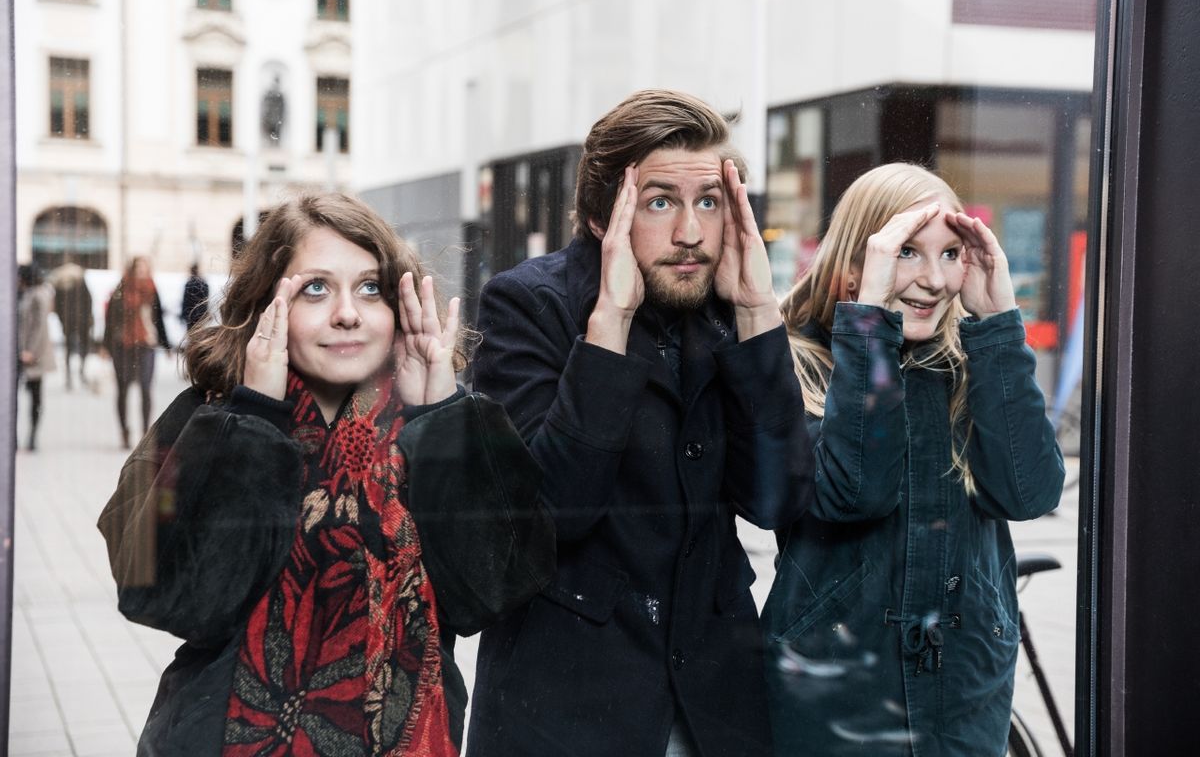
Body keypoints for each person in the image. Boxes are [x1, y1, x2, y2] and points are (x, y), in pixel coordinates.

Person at [97, 192, 548, 756]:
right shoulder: (209, 418)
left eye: (369, 288)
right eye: (316, 288)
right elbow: (164, 596)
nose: (347, 313)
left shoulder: (442, 423)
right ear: (266, 304)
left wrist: (440, 414)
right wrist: (254, 419)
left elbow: (493, 592)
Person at [466, 89, 814, 756]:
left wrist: (757, 317)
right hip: (569, 707)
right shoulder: (528, 305)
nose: (690, 233)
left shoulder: (723, 306)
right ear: (603, 215)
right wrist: (609, 328)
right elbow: (549, 513)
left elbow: (777, 500)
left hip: (714, 703)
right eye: (660, 202)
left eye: (708, 202)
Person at [760, 163, 1066, 755]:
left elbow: (1030, 494)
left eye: (951, 253)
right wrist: (869, 325)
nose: (933, 279)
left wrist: (999, 324)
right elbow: (857, 493)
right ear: (859, 261)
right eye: (906, 252)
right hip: (835, 690)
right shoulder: (797, 363)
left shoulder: (974, 361)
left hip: (965, 688)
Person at [103, 256, 172, 448]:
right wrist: (105, 345)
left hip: (146, 345)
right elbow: (110, 319)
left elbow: (159, 318)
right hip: (123, 346)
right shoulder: (121, 289)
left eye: (144, 268)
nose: (141, 272)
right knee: (123, 390)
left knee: (146, 389)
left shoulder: (151, 289)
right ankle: (124, 430)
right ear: (132, 270)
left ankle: (144, 433)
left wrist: (166, 344)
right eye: (138, 268)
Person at [17, 263, 56, 451]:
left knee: (35, 395)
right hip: (22, 352)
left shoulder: (38, 294)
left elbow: (39, 326)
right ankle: (16, 435)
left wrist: (30, 351)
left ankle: (33, 434)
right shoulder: (25, 293)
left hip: (34, 354)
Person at [51, 261, 93, 390]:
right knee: (81, 348)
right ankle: (78, 373)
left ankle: (72, 375)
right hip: (80, 321)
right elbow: (88, 301)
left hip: (71, 322)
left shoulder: (61, 285)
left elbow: (57, 306)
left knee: (70, 349)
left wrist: (62, 319)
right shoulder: (79, 283)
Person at [181, 262, 211, 330]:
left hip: (191, 314)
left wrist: (184, 314)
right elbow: (206, 300)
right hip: (200, 314)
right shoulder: (203, 283)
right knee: (199, 334)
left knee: (192, 333)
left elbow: (186, 301)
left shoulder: (189, 284)